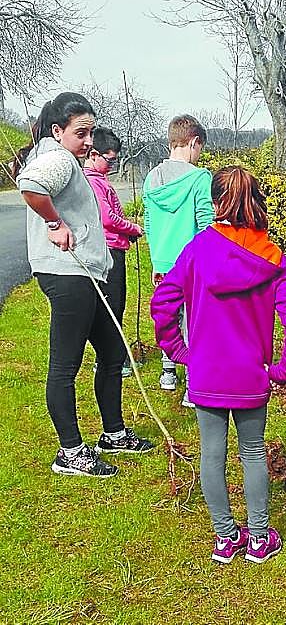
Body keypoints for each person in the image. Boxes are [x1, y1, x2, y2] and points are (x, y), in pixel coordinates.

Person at [151, 166, 286, 564]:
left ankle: (225, 538)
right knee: (252, 452)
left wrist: (179, 352)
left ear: (215, 201)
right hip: (250, 375)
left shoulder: (197, 249)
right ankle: (258, 538)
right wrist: (284, 369)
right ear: (255, 201)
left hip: (206, 372)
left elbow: (163, 303)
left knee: (211, 454)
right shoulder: (270, 256)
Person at [15, 92, 154, 478]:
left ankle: (113, 433)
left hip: (87, 273)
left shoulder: (62, 156)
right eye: (81, 133)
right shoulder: (58, 158)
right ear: (57, 131)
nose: (89, 141)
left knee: (112, 352)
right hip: (67, 274)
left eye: (91, 132)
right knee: (65, 365)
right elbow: (31, 186)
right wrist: (55, 223)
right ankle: (71, 452)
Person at [143, 114, 214, 400]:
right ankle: (193, 384)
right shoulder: (200, 178)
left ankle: (168, 372)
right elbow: (206, 223)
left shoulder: (152, 178)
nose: (200, 155)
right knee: (194, 322)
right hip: (192, 263)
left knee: (168, 317)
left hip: (163, 261)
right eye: (200, 149)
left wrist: (156, 260)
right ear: (194, 142)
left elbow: (149, 223)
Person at [84, 127, 143, 378]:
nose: (112, 166)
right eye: (109, 160)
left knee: (115, 306)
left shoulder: (99, 179)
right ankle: (111, 361)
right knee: (112, 307)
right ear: (93, 154)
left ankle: (113, 358)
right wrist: (133, 228)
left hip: (113, 248)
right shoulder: (93, 181)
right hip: (108, 251)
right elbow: (108, 219)